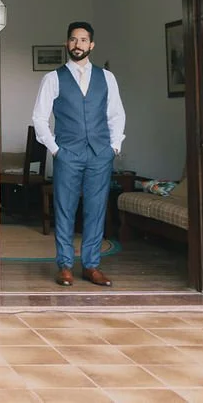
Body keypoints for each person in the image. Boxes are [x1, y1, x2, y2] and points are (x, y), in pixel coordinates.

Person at [32, 22, 126, 288]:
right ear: (67, 44)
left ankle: (91, 266)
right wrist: (56, 149)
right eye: (73, 40)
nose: (78, 44)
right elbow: (39, 117)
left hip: (100, 154)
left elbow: (116, 114)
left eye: (83, 40)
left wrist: (114, 147)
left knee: (96, 211)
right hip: (68, 153)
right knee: (65, 210)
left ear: (91, 45)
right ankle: (65, 266)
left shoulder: (107, 77)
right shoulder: (53, 78)